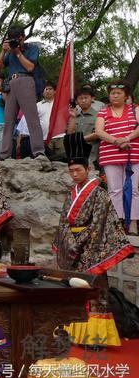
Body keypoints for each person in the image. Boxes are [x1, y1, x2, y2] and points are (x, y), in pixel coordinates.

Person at [53, 133, 134, 347]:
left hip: (91, 249)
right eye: (71, 171)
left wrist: (78, 244)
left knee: (95, 292)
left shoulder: (100, 194)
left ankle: (95, 337)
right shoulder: (71, 194)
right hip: (73, 247)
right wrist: (68, 242)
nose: (74, 174)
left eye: (78, 170)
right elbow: (63, 220)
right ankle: (72, 332)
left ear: (88, 169)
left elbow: (99, 224)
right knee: (73, 289)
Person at [95, 80, 139, 235]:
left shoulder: (135, 109)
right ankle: (117, 222)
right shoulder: (103, 112)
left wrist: (126, 138)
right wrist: (116, 141)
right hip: (110, 153)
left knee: (134, 189)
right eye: (112, 93)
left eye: (118, 93)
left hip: (133, 154)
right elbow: (99, 131)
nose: (115, 95)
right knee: (115, 189)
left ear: (126, 95)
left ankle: (133, 222)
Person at [0, 26, 46, 160]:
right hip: (11, 83)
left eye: (17, 40)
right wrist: (3, 51)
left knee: (31, 118)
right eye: (12, 40)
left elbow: (30, 67)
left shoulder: (31, 48)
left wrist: (18, 52)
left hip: (26, 80)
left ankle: (39, 151)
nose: (15, 43)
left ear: (23, 37)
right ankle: (4, 153)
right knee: (8, 120)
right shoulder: (9, 52)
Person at [68, 87, 100, 167]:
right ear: (76, 101)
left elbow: (98, 133)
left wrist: (79, 139)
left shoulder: (99, 115)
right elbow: (70, 134)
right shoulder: (75, 116)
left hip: (92, 155)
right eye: (80, 98)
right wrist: (73, 117)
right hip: (76, 154)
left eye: (86, 98)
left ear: (92, 99)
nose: (83, 100)